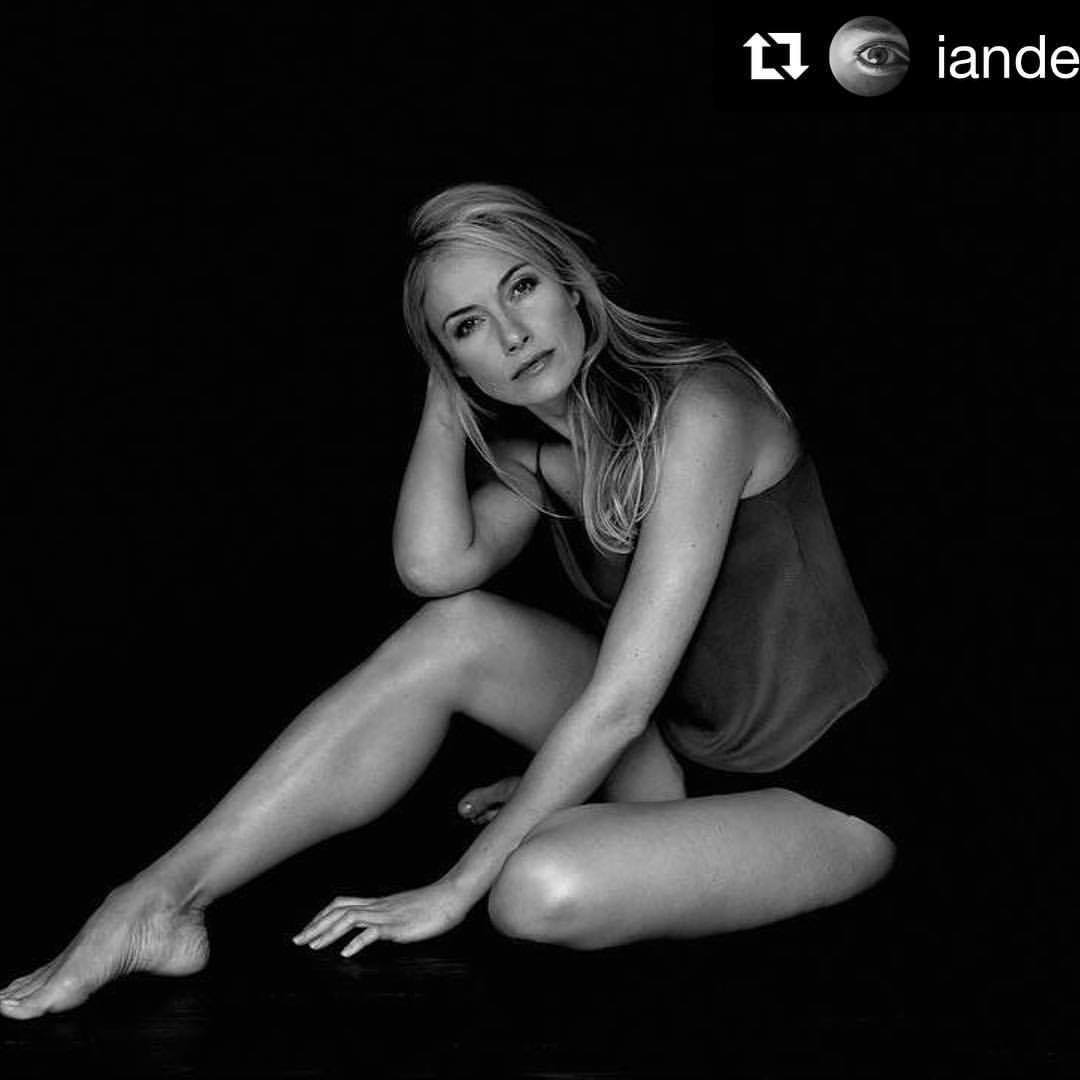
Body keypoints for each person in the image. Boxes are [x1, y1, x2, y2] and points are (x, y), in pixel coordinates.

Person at [0, 183, 898, 1021]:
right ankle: (157, 901)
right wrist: (443, 395)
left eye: (523, 288)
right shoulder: (542, 459)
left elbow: (620, 704)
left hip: (826, 793)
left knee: (537, 889)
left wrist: (454, 887)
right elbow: (435, 570)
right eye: (469, 326)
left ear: (573, 287)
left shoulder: (703, 407)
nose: (512, 335)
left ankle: (589, 815)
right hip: (681, 753)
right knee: (456, 630)